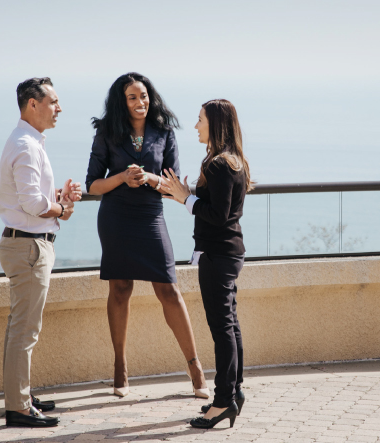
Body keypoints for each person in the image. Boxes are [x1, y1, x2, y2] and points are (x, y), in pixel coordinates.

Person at [85, 72, 208, 398]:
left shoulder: (164, 132)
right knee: (120, 289)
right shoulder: (107, 133)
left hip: (150, 218)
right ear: (121, 103)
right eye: (132, 98)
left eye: (143, 96)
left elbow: (173, 186)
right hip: (115, 218)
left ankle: (195, 367)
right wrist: (123, 177)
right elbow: (93, 185)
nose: (140, 103)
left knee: (169, 291)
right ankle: (120, 366)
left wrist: (150, 178)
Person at [162, 99, 254, 429]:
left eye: (200, 119)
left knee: (222, 329)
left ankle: (223, 401)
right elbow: (220, 206)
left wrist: (185, 198)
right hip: (227, 253)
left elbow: (218, 215)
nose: (196, 125)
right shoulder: (231, 162)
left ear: (215, 124)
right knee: (229, 326)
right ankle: (234, 394)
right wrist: (185, 194)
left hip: (218, 255)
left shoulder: (218, 164)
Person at [0, 77, 82, 427]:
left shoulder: (26, 141)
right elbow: (32, 203)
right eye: (54, 101)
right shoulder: (27, 145)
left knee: (20, 327)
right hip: (29, 246)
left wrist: (59, 200)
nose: (59, 108)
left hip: (24, 243)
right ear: (33, 104)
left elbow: (31, 199)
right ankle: (18, 407)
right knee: (25, 330)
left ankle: (21, 396)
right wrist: (61, 209)